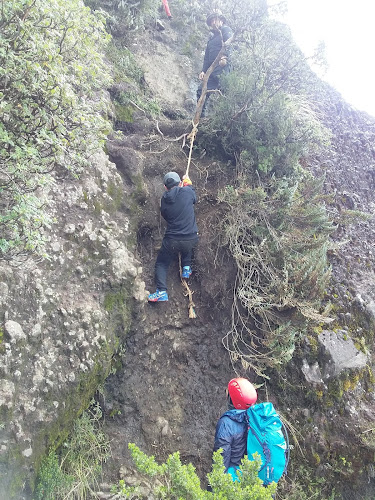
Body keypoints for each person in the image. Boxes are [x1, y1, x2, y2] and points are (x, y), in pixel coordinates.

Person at [148, 171, 198, 302]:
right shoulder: (187, 192)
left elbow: (165, 215)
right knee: (187, 243)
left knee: (162, 263)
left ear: (165, 187)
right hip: (192, 238)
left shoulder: (164, 200)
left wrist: (185, 187)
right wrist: (188, 184)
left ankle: (162, 291)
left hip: (173, 241)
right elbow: (194, 198)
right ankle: (186, 268)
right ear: (180, 183)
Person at [213, 378, 258, 478]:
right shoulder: (255, 419)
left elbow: (221, 456)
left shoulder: (226, 424)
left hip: (234, 477)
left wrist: (215, 485)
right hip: (252, 477)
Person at [197, 10, 233, 116]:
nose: (213, 23)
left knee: (225, 93)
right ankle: (200, 120)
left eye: (215, 20)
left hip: (223, 68)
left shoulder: (226, 30)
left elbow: (230, 43)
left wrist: (225, 57)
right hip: (211, 70)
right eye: (211, 21)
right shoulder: (211, 39)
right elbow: (206, 58)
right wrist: (203, 70)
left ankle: (226, 120)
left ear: (221, 20)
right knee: (201, 91)